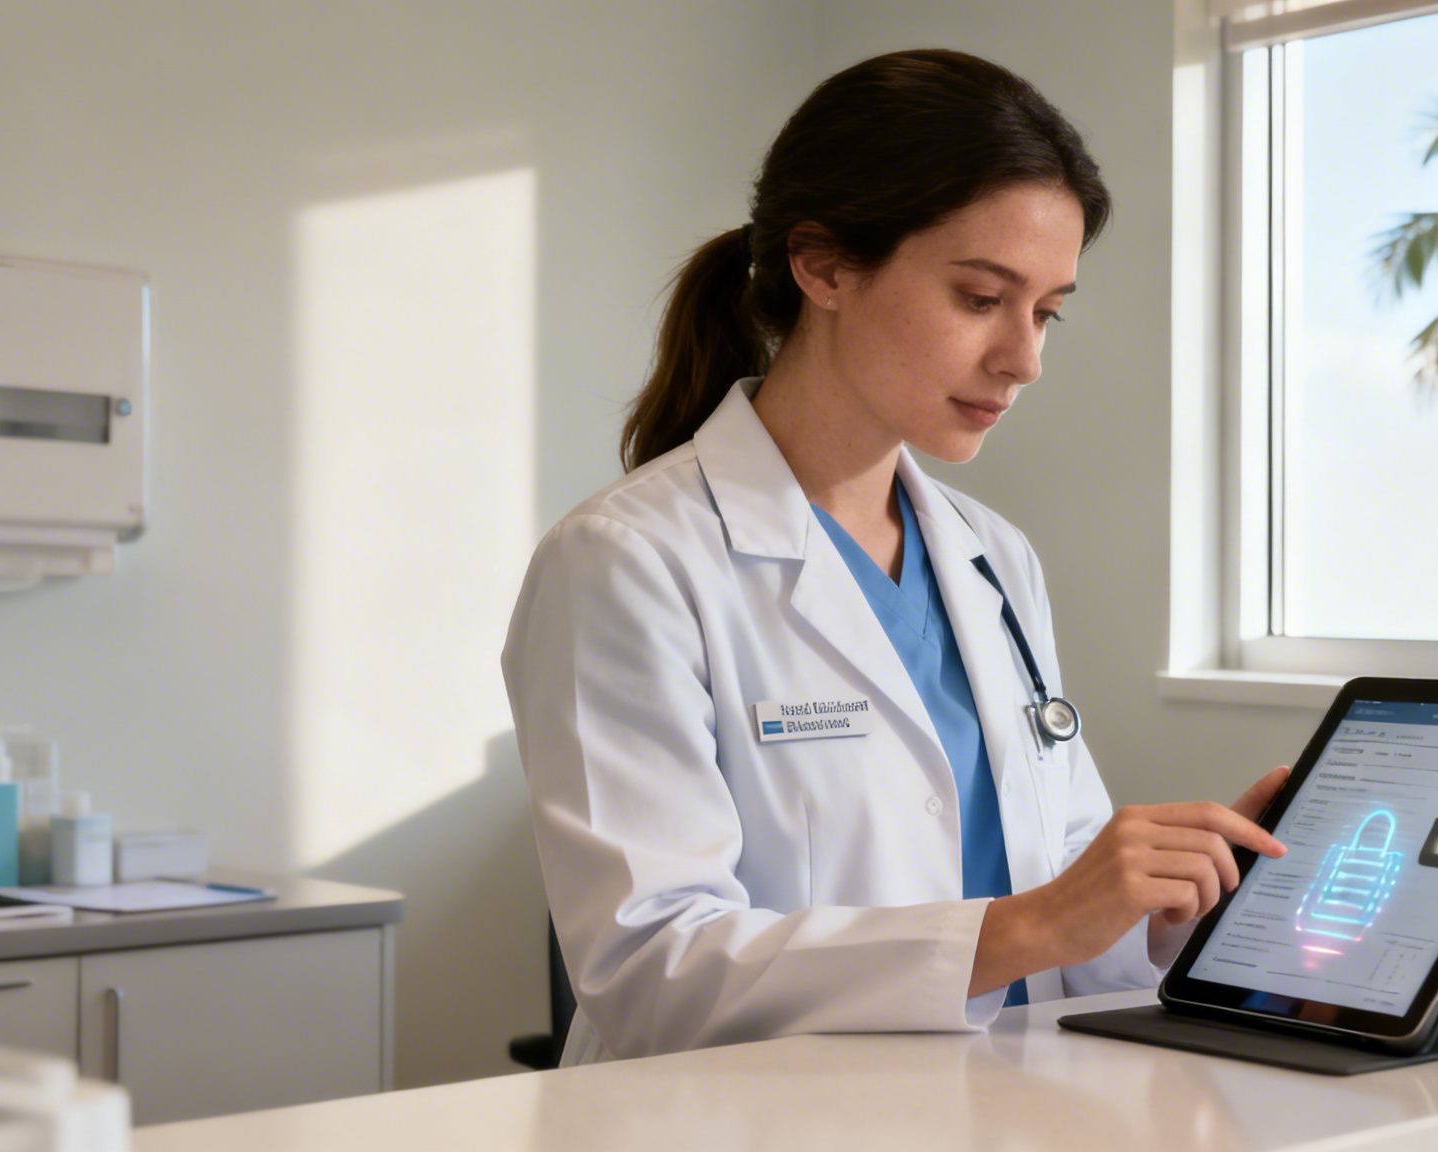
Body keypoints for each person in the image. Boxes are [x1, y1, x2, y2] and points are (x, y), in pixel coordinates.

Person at [502, 48, 1288, 1064]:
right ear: (822, 265)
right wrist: (1033, 924)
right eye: (978, 298)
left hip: (995, 1112)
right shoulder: (625, 563)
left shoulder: (990, 559)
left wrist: (1175, 896)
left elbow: (1063, 949)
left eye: (1046, 311)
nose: (1024, 359)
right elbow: (651, 970)